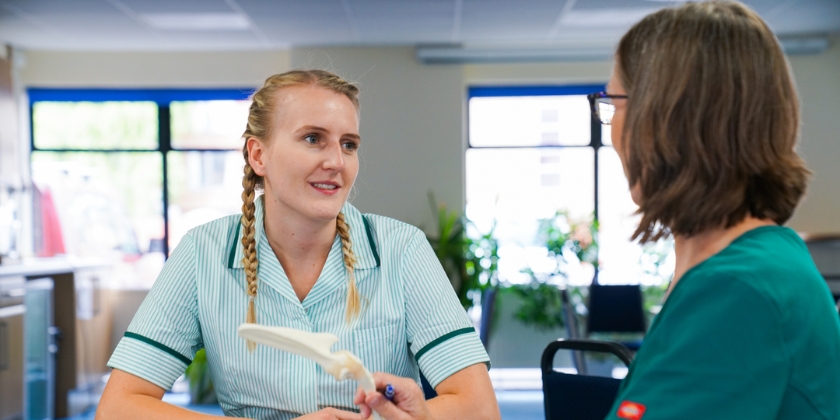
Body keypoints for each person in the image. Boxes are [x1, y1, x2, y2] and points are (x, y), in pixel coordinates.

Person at [96, 70, 500, 420]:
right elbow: (119, 408)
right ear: (259, 155)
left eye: (349, 144)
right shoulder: (203, 253)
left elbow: (480, 408)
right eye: (313, 138)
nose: (337, 162)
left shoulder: (402, 249)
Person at [586, 2, 840, 419]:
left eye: (615, 102)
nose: (612, 127)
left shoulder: (737, 292)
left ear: (664, 119)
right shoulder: (766, 262)